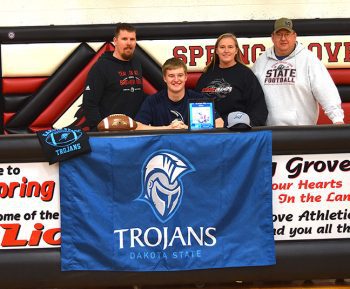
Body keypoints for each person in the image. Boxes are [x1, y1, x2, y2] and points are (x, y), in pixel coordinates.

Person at [252, 17, 344, 126]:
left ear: (294, 36)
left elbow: (326, 90)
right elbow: (251, 93)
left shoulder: (309, 59)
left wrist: (337, 118)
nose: (283, 38)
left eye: (287, 34)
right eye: (279, 34)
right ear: (272, 37)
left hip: (301, 132)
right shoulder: (261, 62)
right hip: (270, 131)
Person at [195, 33, 268, 128]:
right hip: (210, 131)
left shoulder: (246, 74)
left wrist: (247, 128)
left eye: (230, 47)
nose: (226, 51)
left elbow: (258, 108)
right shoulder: (207, 75)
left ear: (236, 50)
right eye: (222, 47)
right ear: (216, 50)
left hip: (236, 132)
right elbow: (196, 103)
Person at [83, 23, 145, 130]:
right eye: (124, 39)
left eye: (132, 39)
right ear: (115, 41)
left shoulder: (137, 63)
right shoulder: (101, 67)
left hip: (135, 130)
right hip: (111, 133)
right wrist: (99, 130)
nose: (129, 43)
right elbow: (89, 104)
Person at [135, 57, 223, 130]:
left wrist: (187, 128)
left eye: (180, 75)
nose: (176, 80)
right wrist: (168, 129)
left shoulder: (198, 100)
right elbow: (137, 126)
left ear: (185, 77)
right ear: (165, 78)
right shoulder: (153, 101)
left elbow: (220, 123)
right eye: (171, 76)